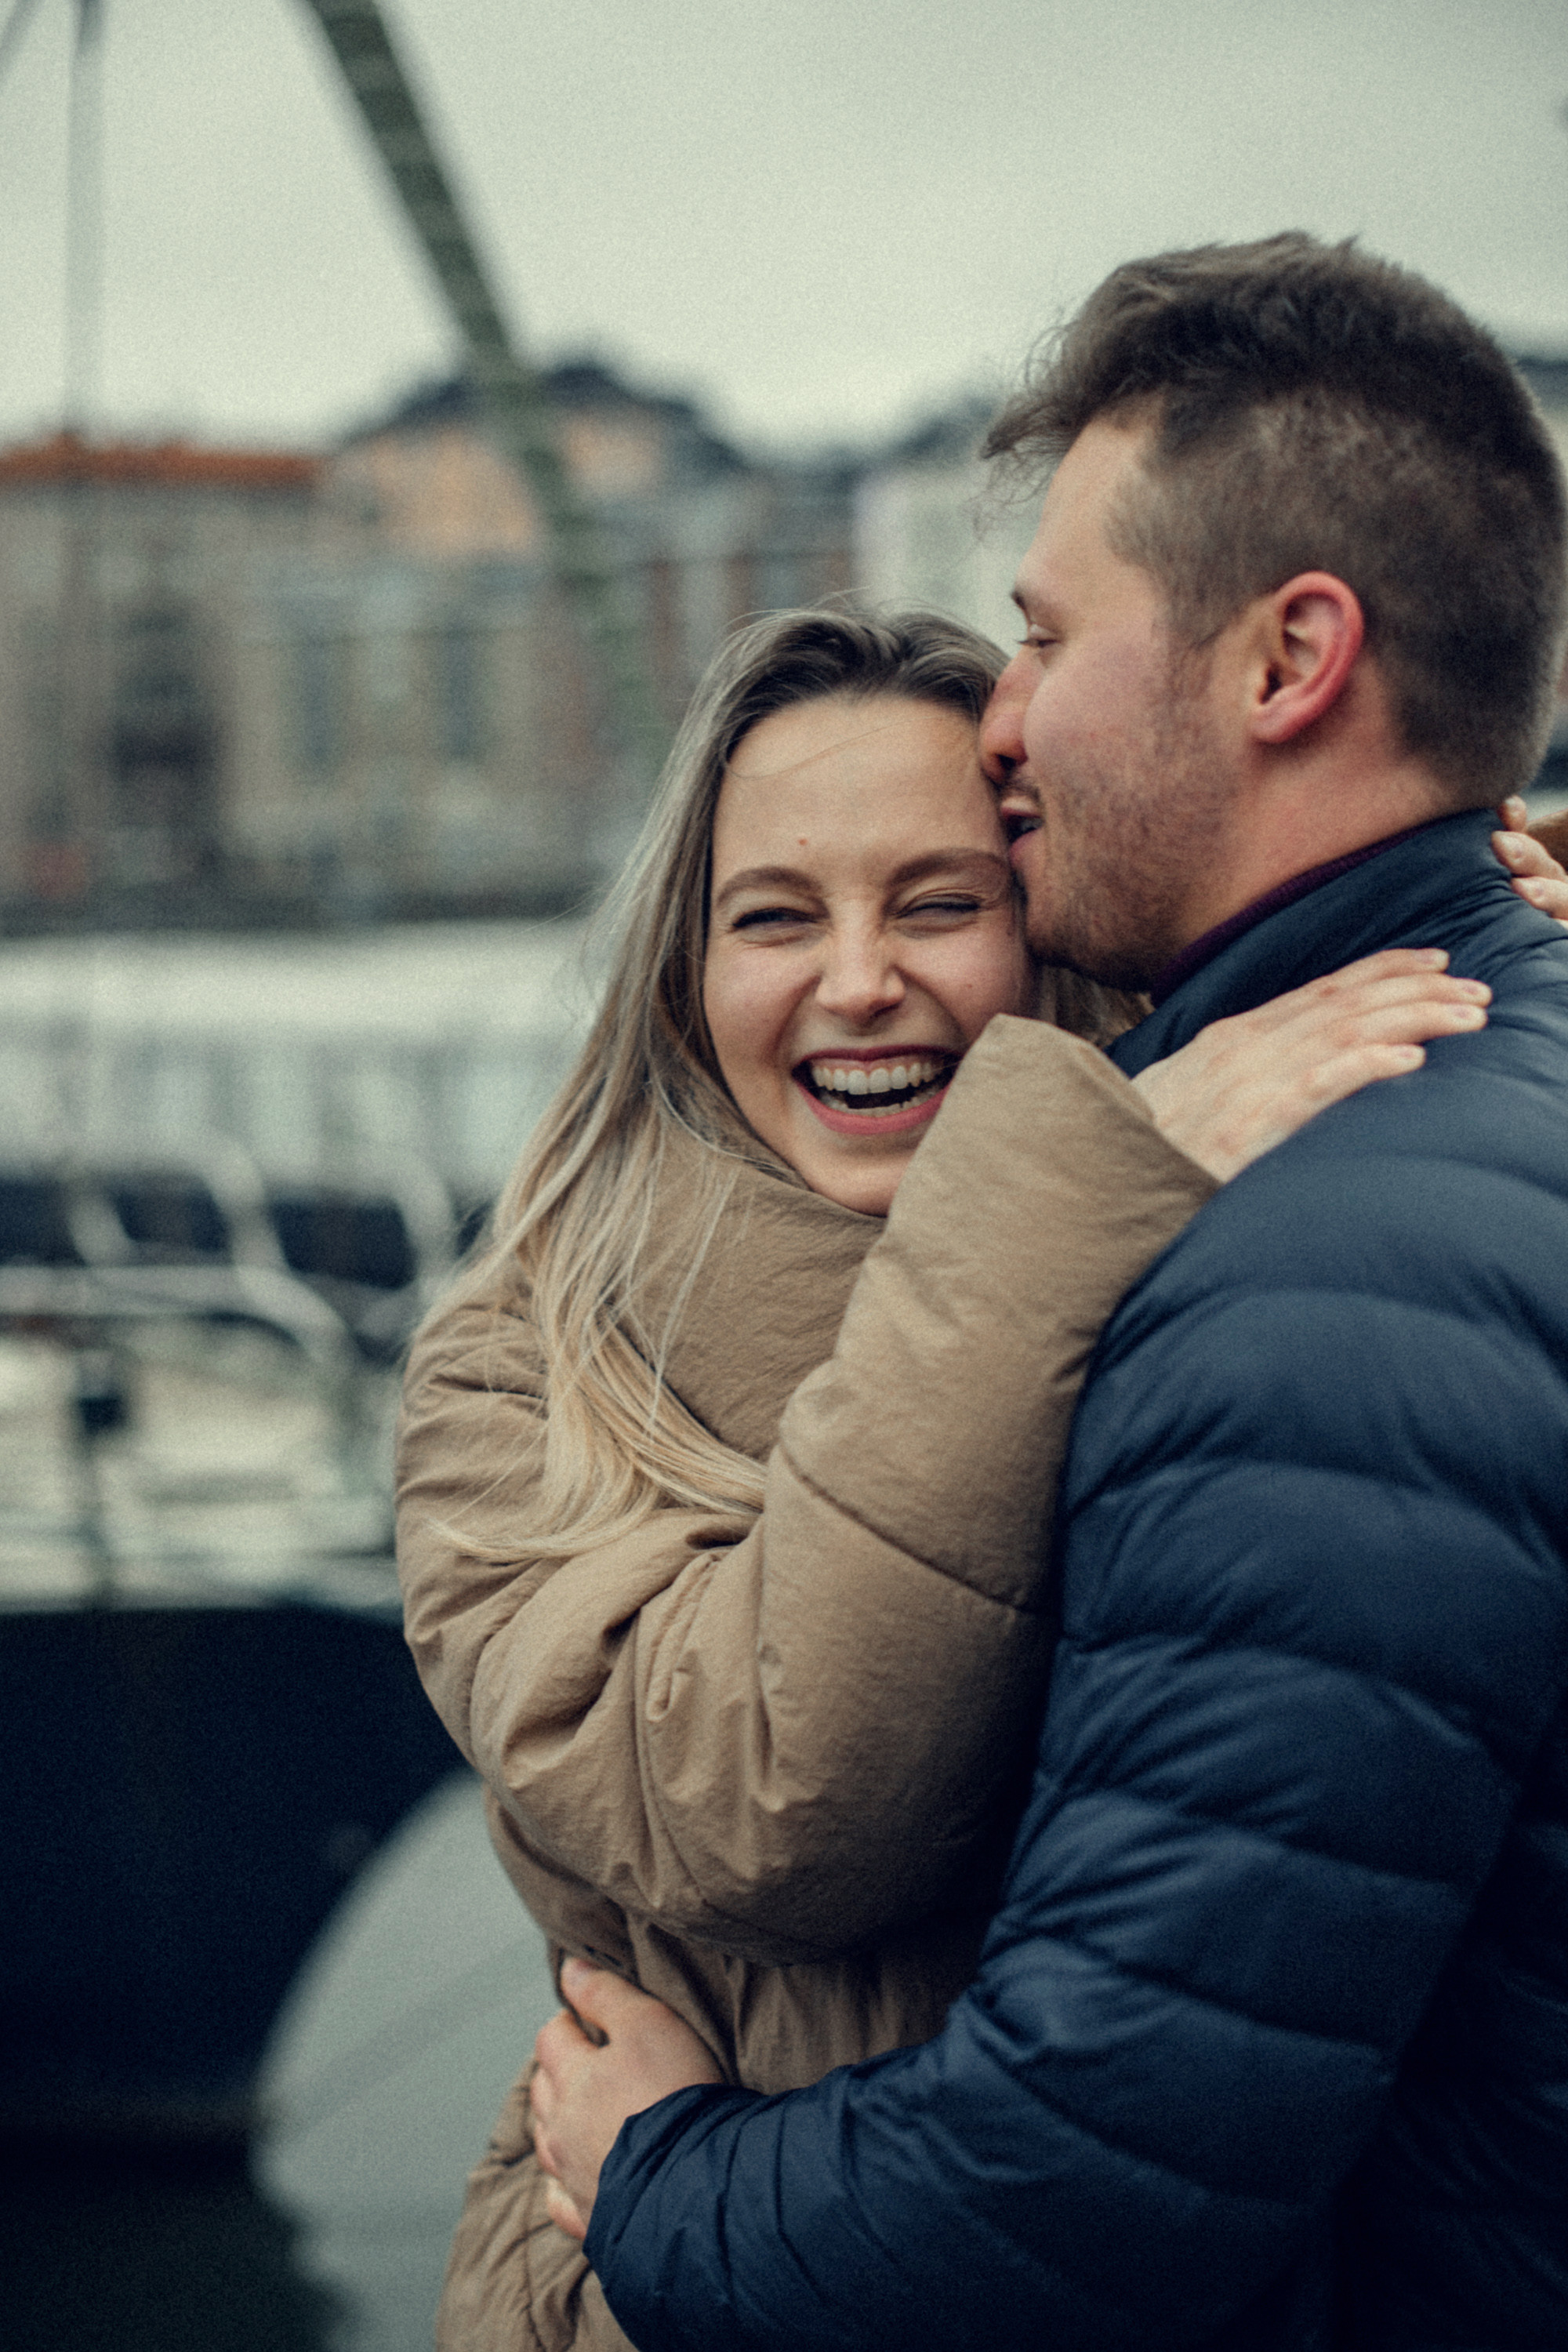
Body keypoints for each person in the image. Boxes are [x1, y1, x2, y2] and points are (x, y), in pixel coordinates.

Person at [528, 236, 1568, 2352]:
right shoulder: (1394, 1096)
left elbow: (1089, 2191)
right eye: (770, 916)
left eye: (1046, 633)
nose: (1012, 711)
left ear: (1290, 662)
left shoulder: (1301, 1275)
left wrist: (663, 2177)